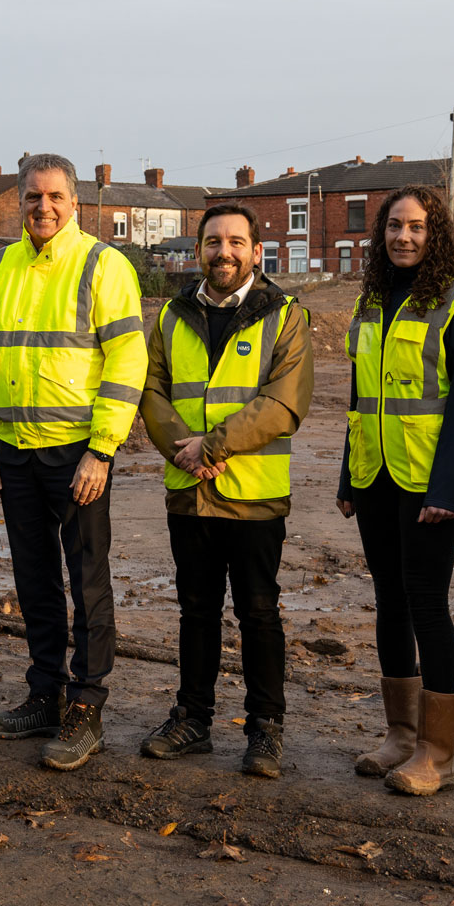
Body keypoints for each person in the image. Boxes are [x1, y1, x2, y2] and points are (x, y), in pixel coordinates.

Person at [0, 153, 146, 771]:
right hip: (12, 452)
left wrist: (103, 449)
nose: (43, 208)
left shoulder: (103, 264)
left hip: (77, 456)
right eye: (33, 197)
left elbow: (126, 363)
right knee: (34, 580)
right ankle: (45, 694)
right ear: (19, 200)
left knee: (88, 582)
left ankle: (85, 709)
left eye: (55, 197)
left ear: (76, 202)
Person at [138, 202, 312, 778]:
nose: (224, 252)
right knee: (196, 611)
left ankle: (266, 729)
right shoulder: (170, 315)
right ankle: (192, 718)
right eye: (213, 242)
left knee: (260, 612)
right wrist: (180, 449)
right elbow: (151, 391)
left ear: (256, 252)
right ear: (198, 252)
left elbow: (284, 403)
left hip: (253, 495)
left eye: (236, 242)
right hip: (189, 493)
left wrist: (208, 448)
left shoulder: (284, 315)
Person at [339, 184, 454, 797]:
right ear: (382, 234)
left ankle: (437, 752)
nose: (405, 236)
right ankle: (399, 734)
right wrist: (348, 475)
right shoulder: (369, 301)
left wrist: (447, 487)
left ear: (437, 235)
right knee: (390, 603)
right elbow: (359, 396)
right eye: (396, 226)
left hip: (430, 482)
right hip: (376, 476)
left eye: (418, 227)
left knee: (427, 603)